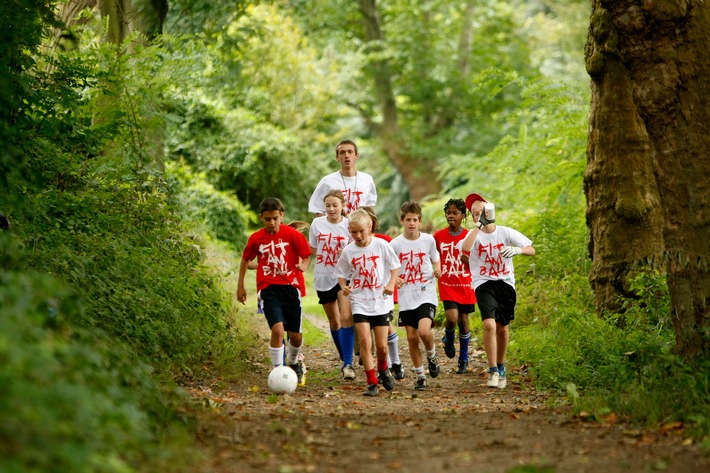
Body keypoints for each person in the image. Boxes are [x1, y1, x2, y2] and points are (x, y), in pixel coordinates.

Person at [459, 193, 535, 389]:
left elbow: (530, 248)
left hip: (506, 283)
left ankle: (501, 367)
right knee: (490, 325)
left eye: (481, 212)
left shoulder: (505, 232)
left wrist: (518, 250)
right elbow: (464, 249)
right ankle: (492, 370)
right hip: (484, 283)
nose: (478, 216)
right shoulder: (473, 235)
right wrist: (478, 226)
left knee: (502, 327)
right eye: (474, 214)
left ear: (490, 211)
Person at [237, 198, 312, 387]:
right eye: (268, 219)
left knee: (295, 336)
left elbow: (306, 257)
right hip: (268, 289)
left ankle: (294, 363)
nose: (272, 223)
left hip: (292, 288)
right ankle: (278, 369)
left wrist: (302, 266)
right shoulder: (256, 238)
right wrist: (241, 286)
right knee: (277, 330)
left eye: (275, 219)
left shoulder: (293, 235)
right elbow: (246, 260)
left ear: (282, 216)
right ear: (261, 218)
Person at [335, 209, 400, 397]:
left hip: (380, 301)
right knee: (365, 341)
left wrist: (390, 283)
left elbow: (395, 266)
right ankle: (371, 382)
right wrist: (343, 286)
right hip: (360, 300)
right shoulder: (349, 251)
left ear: (369, 227)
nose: (358, 236)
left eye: (361, 231)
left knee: (381, 346)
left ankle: (383, 368)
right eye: (353, 232)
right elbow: (341, 273)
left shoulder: (381, 245)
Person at [390, 201, 442, 390]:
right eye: (408, 220)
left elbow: (437, 260)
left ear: (419, 221)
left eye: (415, 220)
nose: (411, 223)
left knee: (424, 332)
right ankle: (420, 376)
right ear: (402, 220)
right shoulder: (395, 244)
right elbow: (389, 268)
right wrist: (394, 280)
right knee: (412, 338)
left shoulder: (428, 240)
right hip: (406, 296)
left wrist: (437, 270)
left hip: (425, 292)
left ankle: (432, 355)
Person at [308, 190, 356, 380]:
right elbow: (312, 251)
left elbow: (356, 248)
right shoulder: (317, 224)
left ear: (343, 205)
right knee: (335, 321)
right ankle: (343, 355)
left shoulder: (348, 225)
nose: (331, 209)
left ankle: (348, 363)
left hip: (344, 276)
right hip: (323, 276)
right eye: (328, 205)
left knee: (346, 317)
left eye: (335, 205)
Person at [360, 206, 406, 380]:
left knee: (385, 328)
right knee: (371, 330)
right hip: (364, 293)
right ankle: (385, 365)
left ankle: (395, 363)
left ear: (372, 223)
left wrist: (395, 279)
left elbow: (395, 263)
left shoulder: (385, 241)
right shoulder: (354, 244)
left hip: (383, 292)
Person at [433, 198, 477, 374]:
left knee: (464, 321)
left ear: (463, 216)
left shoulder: (470, 236)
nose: (451, 216)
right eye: (448, 213)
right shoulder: (438, 236)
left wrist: (470, 260)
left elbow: (478, 257)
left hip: (465, 283)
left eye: (455, 213)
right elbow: (433, 256)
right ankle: (449, 338)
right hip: (447, 283)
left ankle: (463, 359)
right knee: (451, 318)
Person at [308, 140, 377, 217]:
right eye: (342, 152)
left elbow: (370, 207)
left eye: (350, 152)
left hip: (358, 228)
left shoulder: (367, 179)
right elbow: (318, 209)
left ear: (356, 156)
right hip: (335, 227)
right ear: (337, 158)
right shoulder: (327, 181)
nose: (346, 155)